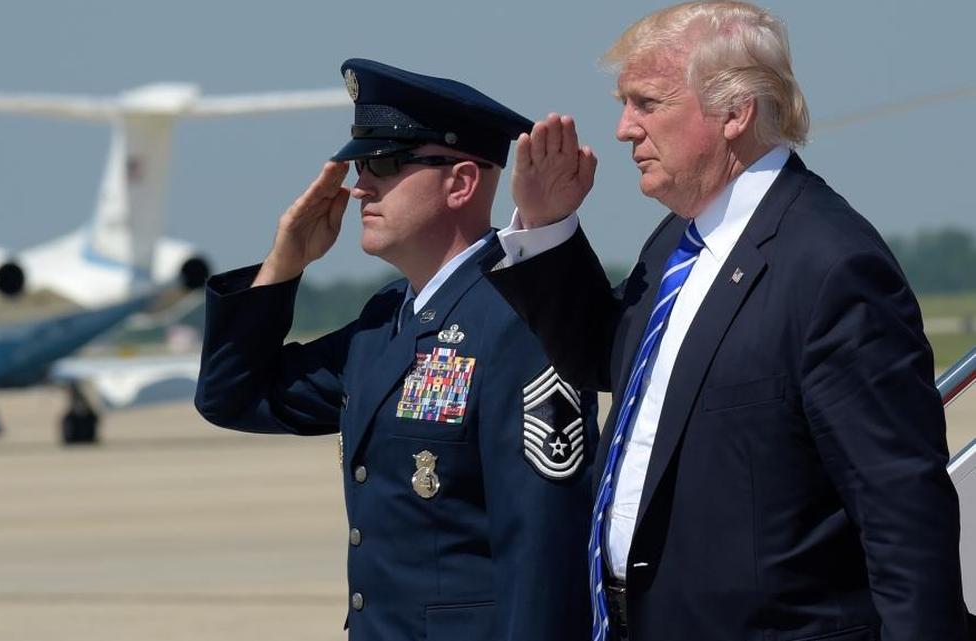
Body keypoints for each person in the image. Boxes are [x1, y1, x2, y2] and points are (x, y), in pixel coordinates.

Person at [486, 3, 969, 640]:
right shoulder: (676, 244)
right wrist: (547, 227)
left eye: (647, 102)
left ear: (734, 113)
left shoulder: (830, 268)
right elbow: (613, 361)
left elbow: (903, 510)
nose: (625, 128)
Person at [195, 58, 595, 641]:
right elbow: (233, 397)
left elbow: (542, 550)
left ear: (460, 182)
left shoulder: (519, 320)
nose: (361, 186)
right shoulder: (385, 321)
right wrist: (285, 263)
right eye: (361, 165)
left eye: (384, 163)